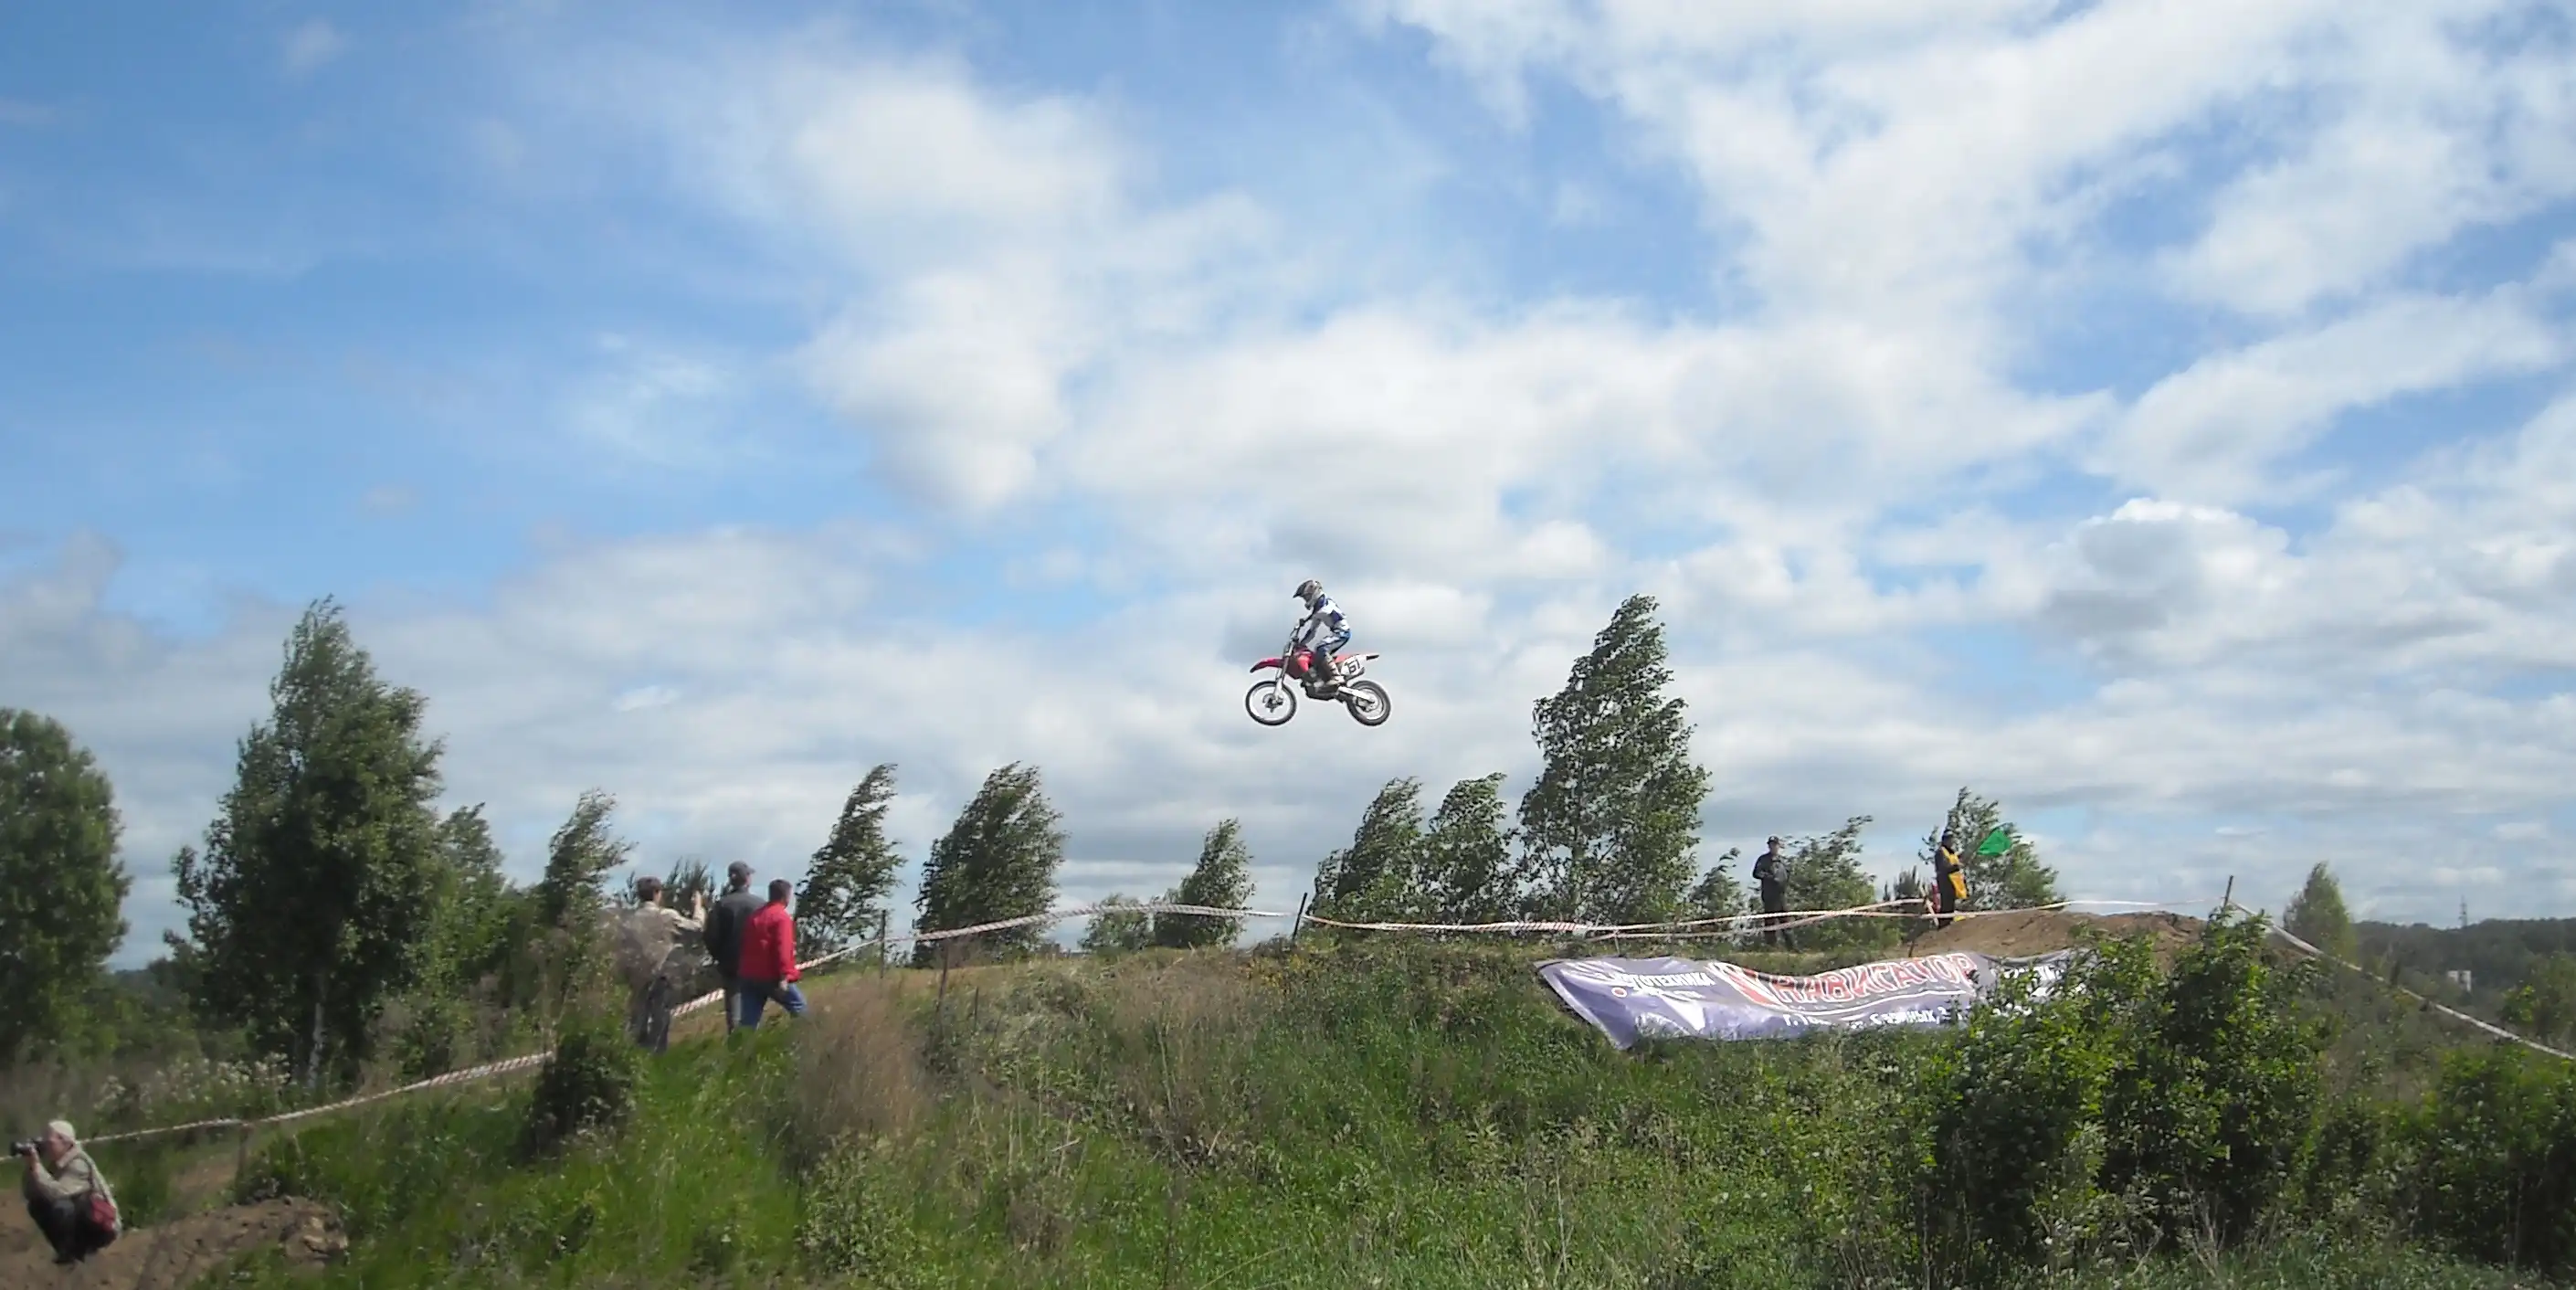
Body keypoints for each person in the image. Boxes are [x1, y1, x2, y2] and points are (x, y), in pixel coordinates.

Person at [618, 876, 709, 1053]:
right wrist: (698, 907)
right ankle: (657, 1056)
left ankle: (634, 1056)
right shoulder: (667, 916)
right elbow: (696, 928)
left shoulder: (629, 919)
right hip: (661, 974)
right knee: (660, 1019)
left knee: (638, 1019)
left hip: (635, 975)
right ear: (656, 893)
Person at [18, 1120, 116, 1265]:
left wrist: (37, 1166)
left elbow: (58, 1193)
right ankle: (64, 1251)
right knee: (37, 1204)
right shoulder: (57, 1163)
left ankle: (78, 1252)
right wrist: (31, 1167)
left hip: (102, 1226)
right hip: (82, 1221)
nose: (46, 1146)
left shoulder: (78, 1163)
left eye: (49, 1143)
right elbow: (30, 1193)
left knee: (62, 1206)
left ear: (65, 1142)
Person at [735, 879, 808, 1029]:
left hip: (749, 976)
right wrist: (784, 976)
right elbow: (783, 948)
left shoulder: (754, 916)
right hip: (771, 976)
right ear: (786, 896)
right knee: (801, 1010)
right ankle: (807, 1037)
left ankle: (739, 1044)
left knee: (748, 1023)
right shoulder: (782, 917)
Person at [703, 862, 765, 1032]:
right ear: (747, 879)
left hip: (730, 965)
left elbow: (710, 936)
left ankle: (736, 1043)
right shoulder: (760, 904)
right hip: (756, 963)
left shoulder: (721, 905)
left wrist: (720, 957)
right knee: (754, 1009)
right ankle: (754, 1041)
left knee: (734, 1013)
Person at [1292, 579, 1352, 695]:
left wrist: (1307, 619)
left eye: (1307, 597)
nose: (1306, 600)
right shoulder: (1318, 609)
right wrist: (1301, 644)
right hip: (1337, 632)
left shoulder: (1325, 604)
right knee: (1317, 656)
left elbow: (1325, 612)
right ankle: (1324, 679)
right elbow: (1312, 631)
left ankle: (1336, 677)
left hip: (1342, 632)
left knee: (1321, 647)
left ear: (1315, 592)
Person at [1752, 836, 1795, 949]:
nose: (1773, 847)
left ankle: (1791, 947)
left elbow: (1788, 873)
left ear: (1778, 846)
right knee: (1770, 921)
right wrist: (1770, 878)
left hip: (1781, 895)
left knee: (1785, 920)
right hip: (1769, 895)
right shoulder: (1763, 859)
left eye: (1775, 844)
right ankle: (1771, 947)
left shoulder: (1782, 860)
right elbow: (1756, 873)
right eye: (1771, 845)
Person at [1927, 829, 1967, 930]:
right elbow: (1944, 867)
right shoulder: (1941, 852)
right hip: (1945, 882)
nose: (1952, 841)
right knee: (1946, 904)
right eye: (1950, 839)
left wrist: (1959, 857)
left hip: (1953, 882)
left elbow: (1952, 860)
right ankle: (1943, 925)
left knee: (1951, 904)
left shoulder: (1950, 852)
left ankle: (1948, 923)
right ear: (1945, 840)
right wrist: (1956, 866)